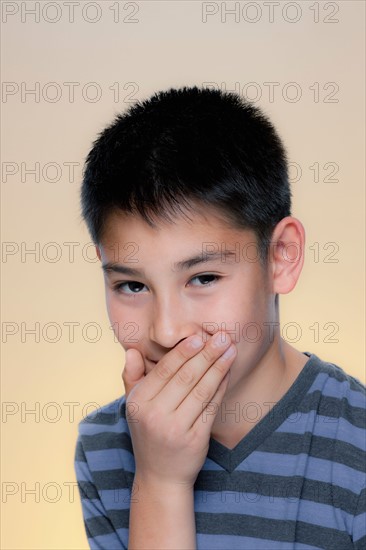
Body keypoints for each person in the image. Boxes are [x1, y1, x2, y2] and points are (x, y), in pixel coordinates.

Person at [74, 85, 365, 549]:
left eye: (204, 278)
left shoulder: (356, 445)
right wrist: (159, 482)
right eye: (132, 286)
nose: (166, 331)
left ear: (281, 257)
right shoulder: (106, 447)